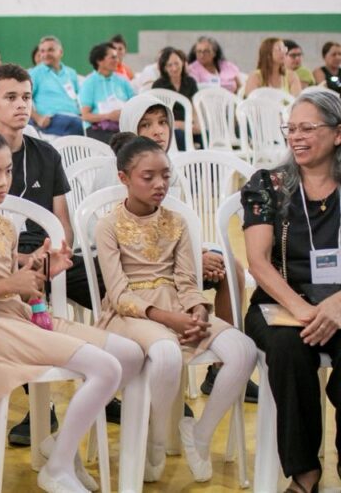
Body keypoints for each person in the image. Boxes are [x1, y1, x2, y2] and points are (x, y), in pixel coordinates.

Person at [0, 121, 144, 493]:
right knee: (105, 367)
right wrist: (8, 286)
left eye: (8, 171)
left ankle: (57, 444)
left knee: (129, 354)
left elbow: (10, 273)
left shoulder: (2, 224)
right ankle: (59, 466)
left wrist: (42, 267)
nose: (3, 181)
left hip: (20, 318)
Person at [96, 135, 256, 483]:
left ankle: (199, 434)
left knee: (243, 350)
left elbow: (186, 280)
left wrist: (198, 311)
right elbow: (119, 292)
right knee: (167, 353)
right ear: (124, 178)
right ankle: (157, 439)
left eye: (165, 175)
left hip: (178, 305)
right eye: (148, 176)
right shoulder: (107, 224)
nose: (160, 184)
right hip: (131, 313)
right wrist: (169, 318)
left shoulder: (178, 221)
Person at [242, 90, 341, 493]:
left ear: (337, 134)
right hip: (280, 304)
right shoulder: (270, 184)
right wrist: (303, 309)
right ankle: (305, 471)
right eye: (291, 128)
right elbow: (259, 262)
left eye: (308, 128)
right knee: (287, 350)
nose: (296, 137)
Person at [79, 42, 134, 143]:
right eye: (112, 57)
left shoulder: (122, 80)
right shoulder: (89, 82)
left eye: (117, 57)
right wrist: (108, 116)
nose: (117, 60)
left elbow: (135, 103)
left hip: (123, 127)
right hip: (98, 129)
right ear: (100, 61)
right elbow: (85, 115)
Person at [29, 37, 84, 137]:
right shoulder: (34, 74)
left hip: (76, 116)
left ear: (61, 52)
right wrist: (38, 118)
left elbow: (79, 98)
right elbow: (23, 99)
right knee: (78, 125)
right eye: (42, 51)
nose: (46, 54)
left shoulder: (71, 73)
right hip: (51, 119)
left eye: (50, 50)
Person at [151, 47, 199, 150]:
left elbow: (195, 107)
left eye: (177, 63)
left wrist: (197, 124)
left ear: (182, 63)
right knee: (179, 136)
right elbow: (158, 114)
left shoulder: (190, 82)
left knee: (205, 135)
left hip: (190, 125)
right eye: (169, 65)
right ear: (164, 68)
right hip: (171, 126)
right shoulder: (158, 85)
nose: (174, 68)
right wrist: (179, 124)